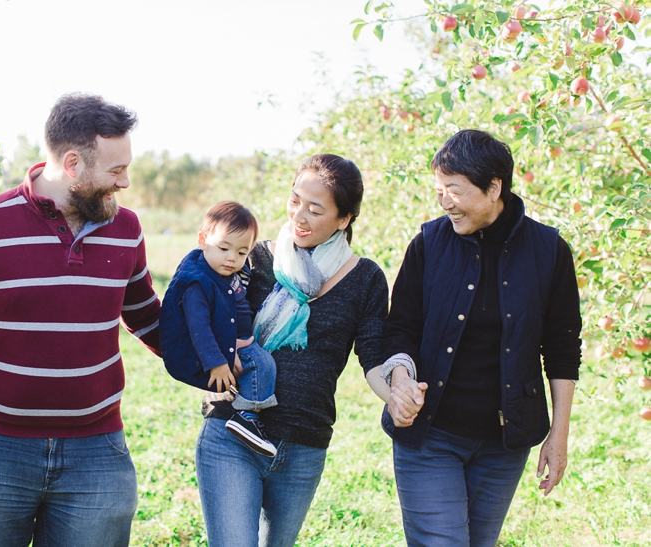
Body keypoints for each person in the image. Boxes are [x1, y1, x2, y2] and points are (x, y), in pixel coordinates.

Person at [0, 93, 161, 547]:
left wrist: (221, 356)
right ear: (72, 163)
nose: (125, 182)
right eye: (116, 170)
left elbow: (147, 318)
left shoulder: (126, 229)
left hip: (96, 452)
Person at [379, 129, 582, 547]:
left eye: (453, 190)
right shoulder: (429, 245)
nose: (443, 201)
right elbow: (400, 328)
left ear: (494, 188)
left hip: (504, 445)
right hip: (430, 435)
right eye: (439, 190)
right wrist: (400, 380)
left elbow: (562, 349)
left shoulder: (549, 251)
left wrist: (557, 435)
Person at [196, 154, 392, 547]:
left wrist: (397, 396)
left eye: (315, 209)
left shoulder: (366, 279)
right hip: (232, 431)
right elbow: (209, 311)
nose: (298, 216)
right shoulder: (255, 258)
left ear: (344, 219)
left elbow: (373, 355)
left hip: (304, 446)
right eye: (295, 200)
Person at [159, 201, 279, 457]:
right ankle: (248, 415)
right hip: (225, 346)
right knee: (263, 365)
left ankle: (247, 411)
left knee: (260, 365)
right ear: (203, 240)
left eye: (241, 252)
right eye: (224, 248)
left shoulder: (225, 271)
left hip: (239, 340)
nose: (231, 258)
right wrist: (217, 363)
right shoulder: (197, 282)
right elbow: (199, 327)